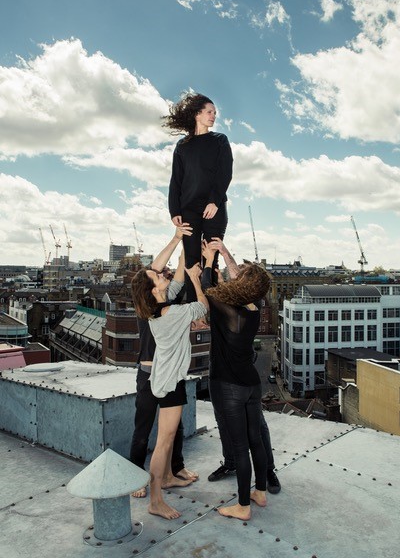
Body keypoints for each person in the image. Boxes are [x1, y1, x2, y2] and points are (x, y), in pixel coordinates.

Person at [131, 240, 208, 520]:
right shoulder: (169, 313)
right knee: (158, 440)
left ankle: (166, 478)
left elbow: (175, 273)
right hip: (162, 378)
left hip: (167, 377)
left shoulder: (158, 304)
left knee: (169, 437)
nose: (159, 274)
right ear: (153, 289)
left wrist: (185, 244)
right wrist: (197, 280)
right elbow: (201, 306)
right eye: (156, 276)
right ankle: (155, 498)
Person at [201, 241, 271, 521]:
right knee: (256, 441)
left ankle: (243, 506)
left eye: (241, 271)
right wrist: (224, 252)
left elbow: (207, 285)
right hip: (252, 384)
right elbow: (237, 280)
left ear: (242, 283)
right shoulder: (254, 306)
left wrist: (208, 260)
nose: (236, 270)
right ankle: (261, 492)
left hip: (228, 385)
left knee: (240, 446)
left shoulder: (226, 305)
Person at [164, 92, 233, 301]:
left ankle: (211, 305)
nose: (214, 116)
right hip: (189, 209)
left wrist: (214, 200)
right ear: (197, 114)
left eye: (215, 113)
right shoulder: (182, 146)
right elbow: (176, 179)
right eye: (209, 112)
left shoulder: (220, 140)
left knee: (211, 257)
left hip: (215, 207)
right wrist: (174, 210)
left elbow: (225, 173)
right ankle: (195, 308)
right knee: (191, 260)